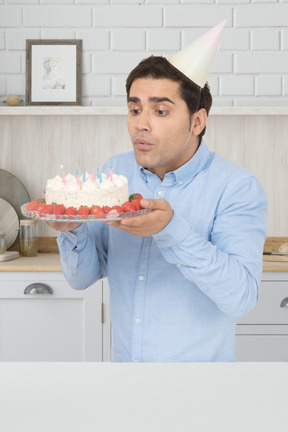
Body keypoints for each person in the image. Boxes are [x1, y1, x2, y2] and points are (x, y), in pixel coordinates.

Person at [48, 23, 267, 362]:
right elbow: (83, 278)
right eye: (135, 109)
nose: (140, 124)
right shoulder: (116, 173)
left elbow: (241, 297)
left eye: (160, 111)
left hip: (200, 386)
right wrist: (72, 230)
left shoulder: (236, 187)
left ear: (197, 122)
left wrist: (170, 230)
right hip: (125, 376)